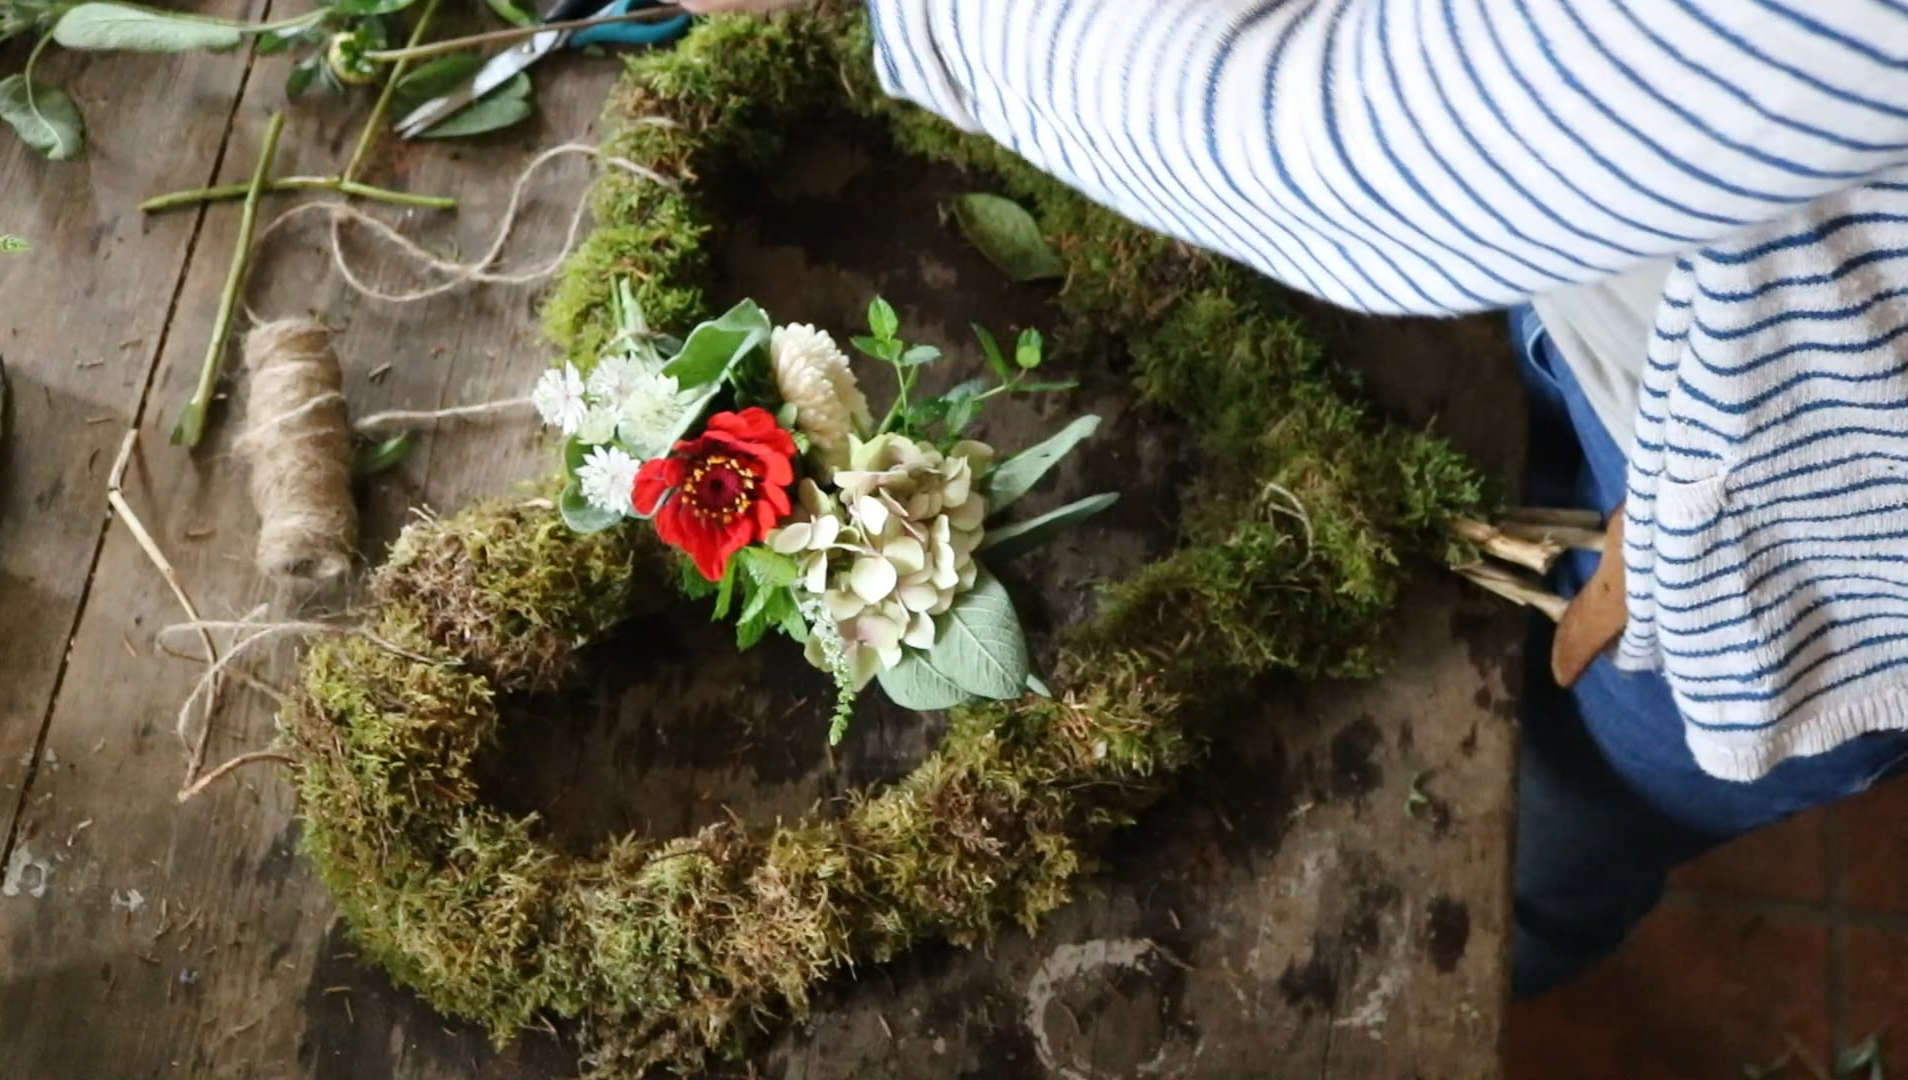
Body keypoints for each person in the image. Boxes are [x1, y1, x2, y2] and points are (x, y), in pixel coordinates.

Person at [681, 0, 1908, 997]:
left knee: (1537, 830)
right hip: (1648, 268)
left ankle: (1492, 967)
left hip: (1806, 507)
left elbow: (1365, 142)